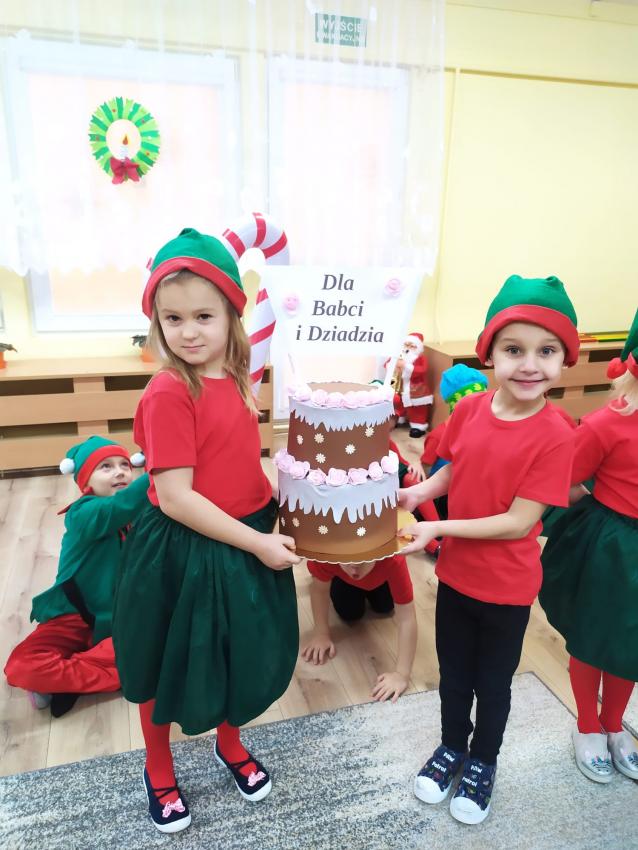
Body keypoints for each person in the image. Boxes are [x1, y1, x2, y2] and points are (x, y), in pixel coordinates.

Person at [111, 228, 300, 834]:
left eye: (203, 316)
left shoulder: (240, 378)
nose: (188, 332)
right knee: (164, 656)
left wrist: (284, 503)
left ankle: (229, 741)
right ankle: (158, 765)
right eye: (173, 318)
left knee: (234, 648)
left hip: (243, 535)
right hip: (185, 548)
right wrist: (259, 543)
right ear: (156, 323)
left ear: (232, 317)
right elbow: (176, 498)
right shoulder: (169, 391)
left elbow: (239, 459)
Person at [399, 275, 579, 824]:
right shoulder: (471, 410)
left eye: (546, 351)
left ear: (564, 359)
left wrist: (437, 528)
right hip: (456, 578)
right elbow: (454, 468)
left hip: (507, 590)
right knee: (454, 676)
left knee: (492, 685)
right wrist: (419, 494)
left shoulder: (557, 434)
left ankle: (483, 760)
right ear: (490, 354)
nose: (530, 365)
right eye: (514, 350)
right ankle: (452, 745)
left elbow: (518, 522)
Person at [540, 308, 638, 784]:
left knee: (631, 642)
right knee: (594, 635)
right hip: (611, 550)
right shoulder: (607, 423)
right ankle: (587, 725)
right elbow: (567, 477)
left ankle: (614, 724)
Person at [4, 436, 148, 717]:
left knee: (167, 645)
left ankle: (65, 681)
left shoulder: (140, 514)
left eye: (125, 465)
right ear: (85, 482)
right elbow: (117, 508)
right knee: (22, 667)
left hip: (121, 619)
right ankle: (111, 671)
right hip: (73, 616)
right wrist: (159, 468)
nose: (120, 472)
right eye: (106, 467)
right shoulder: (82, 513)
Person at [301, 555, 417, 702]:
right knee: (350, 612)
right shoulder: (327, 555)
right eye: (348, 562)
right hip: (342, 577)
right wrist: (321, 633)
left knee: (385, 606)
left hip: (380, 572)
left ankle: (361, 570)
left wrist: (402, 674)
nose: (355, 569)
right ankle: (346, 570)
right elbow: (319, 590)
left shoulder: (394, 560)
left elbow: (407, 617)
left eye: (362, 562)